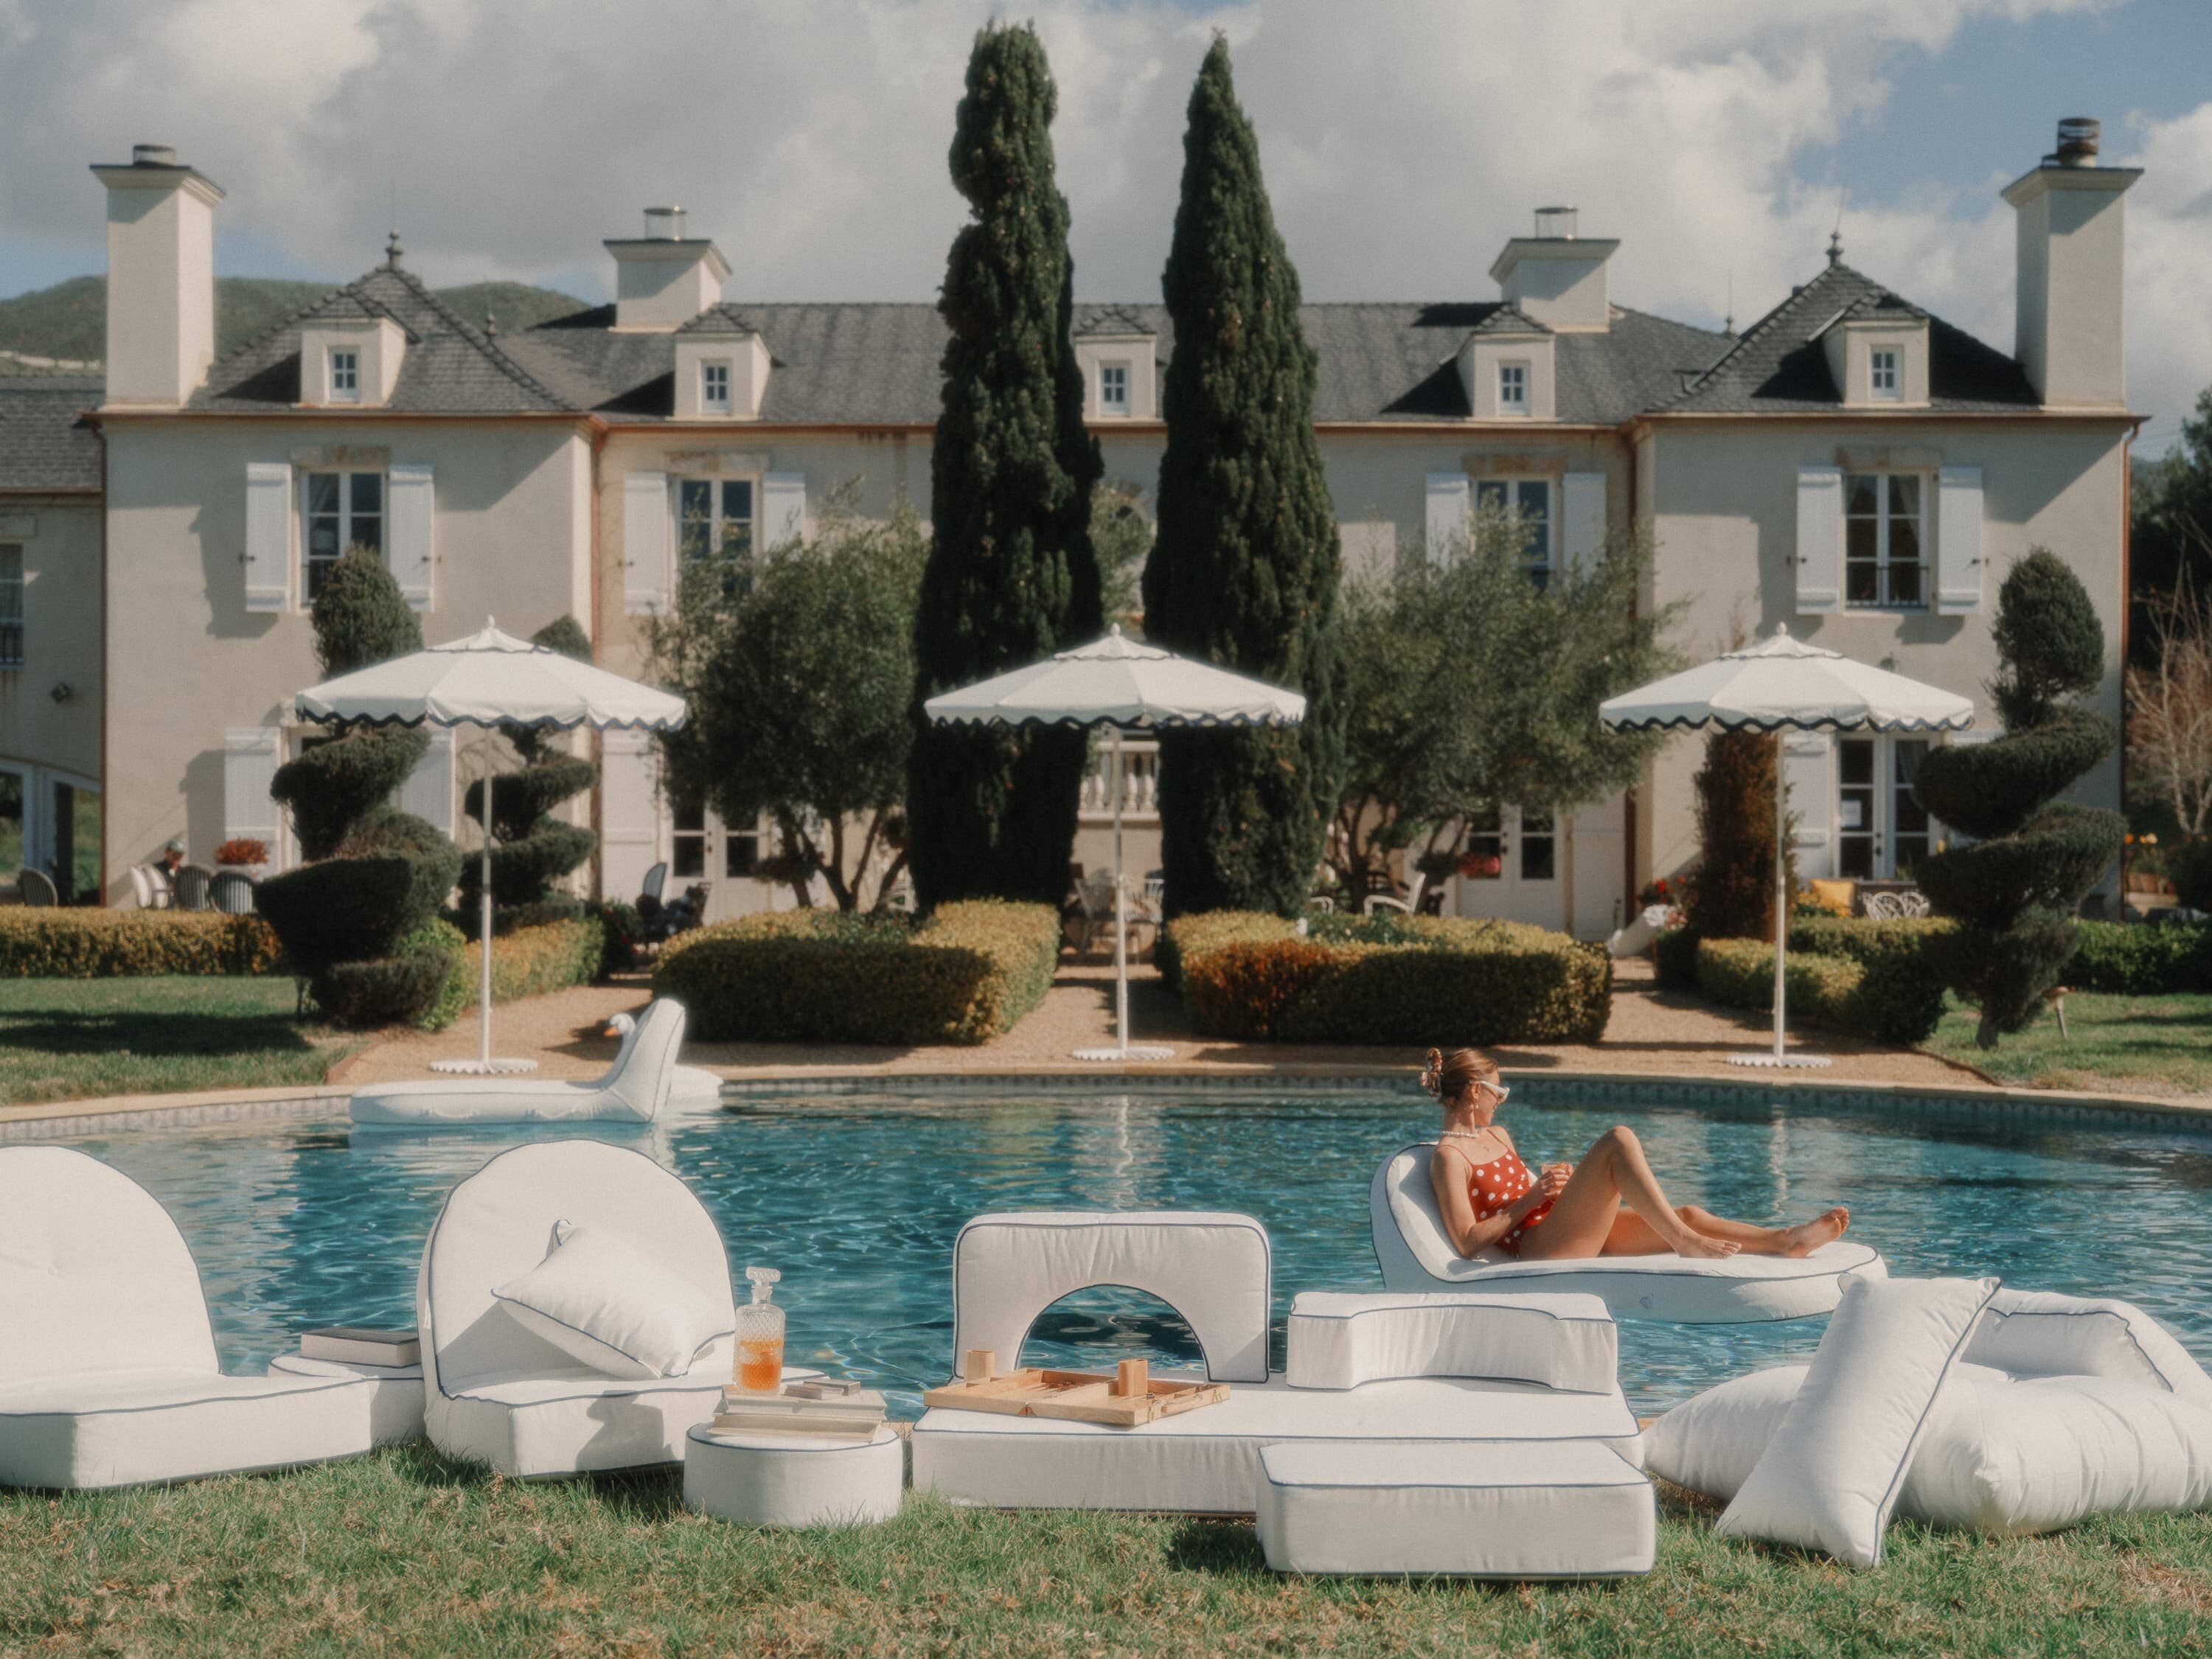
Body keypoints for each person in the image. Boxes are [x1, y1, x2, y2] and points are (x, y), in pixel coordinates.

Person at [1422, 1046, 1850, 1262]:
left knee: (1687, 1214)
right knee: (1618, 1140)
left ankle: (1787, 1240)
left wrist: (1555, 1190)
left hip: (1555, 1224)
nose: (1503, 1100)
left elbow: (1529, 1195)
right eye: (1499, 1091)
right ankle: (1685, 1245)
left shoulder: (1498, 1135)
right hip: (1537, 1247)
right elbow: (1465, 1242)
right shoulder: (1450, 1158)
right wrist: (1534, 1198)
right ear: (1476, 1091)